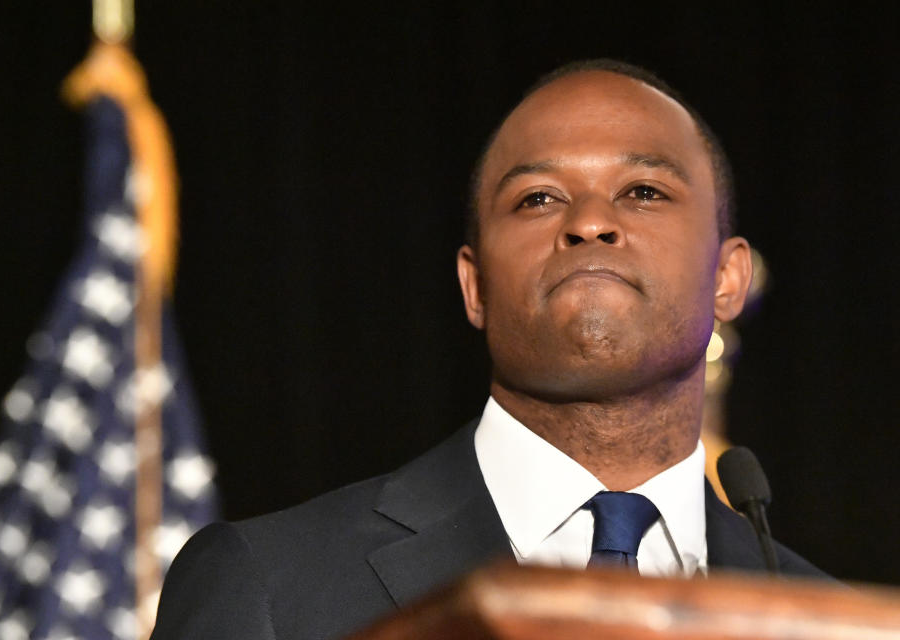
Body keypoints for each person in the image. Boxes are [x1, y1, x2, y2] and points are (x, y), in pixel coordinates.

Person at [149, 59, 826, 640]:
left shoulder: (826, 619)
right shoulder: (270, 587)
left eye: (643, 192)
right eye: (537, 198)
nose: (590, 221)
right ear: (474, 286)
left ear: (728, 279)